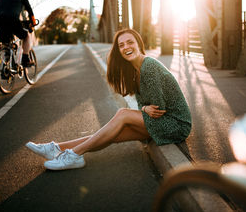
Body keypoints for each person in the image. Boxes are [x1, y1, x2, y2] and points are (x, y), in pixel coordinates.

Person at [26, 28, 192, 170]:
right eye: (121, 45)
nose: (126, 47)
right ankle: (57, 149)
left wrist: (144, 109)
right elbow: (144, 105)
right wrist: (143, 109)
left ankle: (74, 155)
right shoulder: (135, 71)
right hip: (163, 123)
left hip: (176, 124)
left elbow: (159, 109)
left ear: (139, 44)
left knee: (123, 114)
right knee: (110, 134)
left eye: (130, 42)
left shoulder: (149, 66)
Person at [0, 0, 36, 67]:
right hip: (12, 18)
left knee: (6, 42)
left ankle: (6, 66)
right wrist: (33, 22)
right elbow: (28, 8)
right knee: (26, 36)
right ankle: (25, 59)